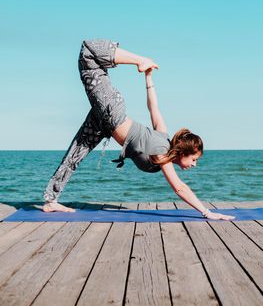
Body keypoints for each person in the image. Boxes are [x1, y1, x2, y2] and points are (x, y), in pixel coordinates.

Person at [42, 39, 234, 221]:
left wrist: (148, 76)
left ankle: (51, 200)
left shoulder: (162, 137)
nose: (194, 164)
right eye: (194, 159)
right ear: (183, 151)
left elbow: (154, 108)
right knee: (88, 52)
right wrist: (207, 212)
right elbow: (179, 188)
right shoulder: (162, 152)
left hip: (103, 123)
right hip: (112, 111)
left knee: (74, 156)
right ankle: (138, 59)